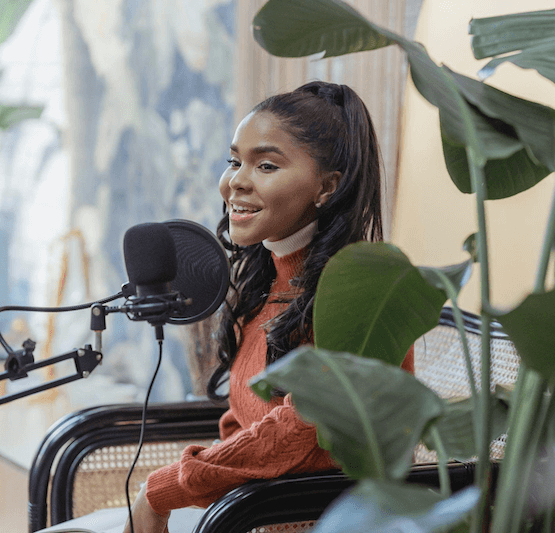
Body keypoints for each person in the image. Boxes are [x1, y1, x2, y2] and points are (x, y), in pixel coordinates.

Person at [124, 81, 415, 533]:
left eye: (265, 165)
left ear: (327, 187)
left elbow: (295, 431)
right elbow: (243, 423)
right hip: (253, 514)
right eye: (234, 161)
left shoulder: (363, 291)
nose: (236, 181)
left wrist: (162, 490)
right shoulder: (263, 281)